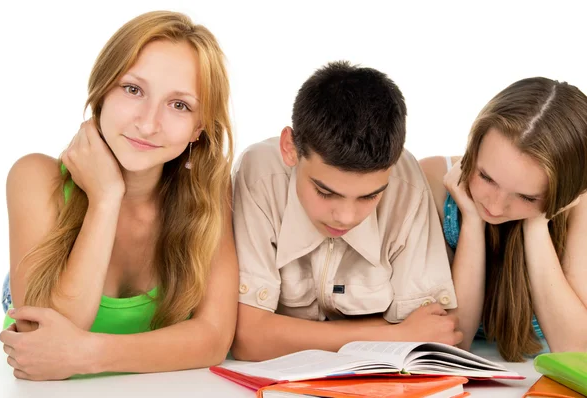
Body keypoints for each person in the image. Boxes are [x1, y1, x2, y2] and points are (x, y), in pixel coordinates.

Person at [0, 10, 238, 380]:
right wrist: (106, 198)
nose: (147, 122)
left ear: (198, 129)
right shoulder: (34, 177)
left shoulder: (208, 192)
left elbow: (213, 339)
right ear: (102, 91)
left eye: (179, 105)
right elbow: (40, 340)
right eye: (132, 89)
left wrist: (89, 354)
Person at [231, 61, 462, 361]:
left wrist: (281, 333)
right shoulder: (260, 174)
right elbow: (249, 339)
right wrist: (394, 335)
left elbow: (435, 333)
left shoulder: (406, 184)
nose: (346, 217)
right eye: (325, 192)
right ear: (290, 148)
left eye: (370, 196)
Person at [420, 77, 587, 362]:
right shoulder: (434, 182)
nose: (495, 208)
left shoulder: (577, 206)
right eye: (486, 177)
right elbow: (452, 342)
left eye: (527, 196)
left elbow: (576, 348)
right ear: (474, 147)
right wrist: (472, 221)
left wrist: (537, 223)